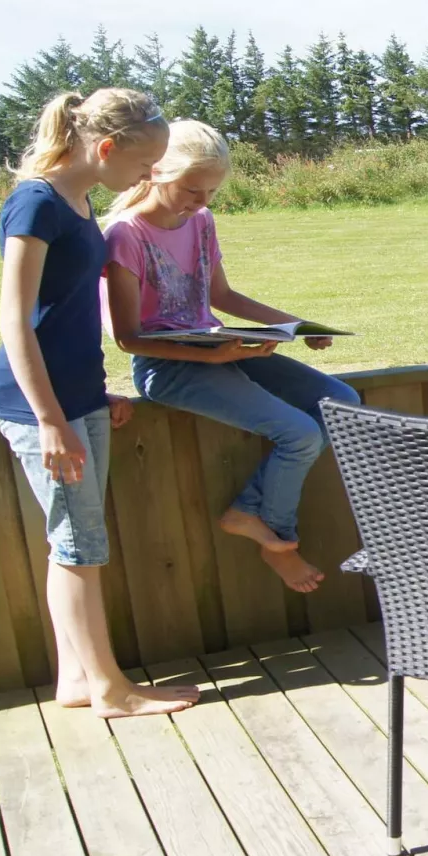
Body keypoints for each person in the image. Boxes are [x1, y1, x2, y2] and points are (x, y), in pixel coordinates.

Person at [0, 88, 199, 717]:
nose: (147, 178)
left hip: (76, 398)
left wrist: (92, 394)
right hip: (39, 408)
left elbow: (66, 315)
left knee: (74, 546)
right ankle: (110, 690)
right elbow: (15, 323)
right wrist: (51, 419)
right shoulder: (36, 203)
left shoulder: (76, 202)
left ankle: (78, 680)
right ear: (105, 148)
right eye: (142, 166)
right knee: (81, 546)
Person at [102, 120, 359, 594]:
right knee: (300, 434)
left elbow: (222, 295)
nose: (202, 203)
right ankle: (278, 543)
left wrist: (298, 327)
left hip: (220, 346)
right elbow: (128, 339)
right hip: (169, 367)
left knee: (343, 401)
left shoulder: (200, 222)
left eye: (212, 192)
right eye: (192, 190)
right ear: (156, 172)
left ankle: (248, 512)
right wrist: (211, 359)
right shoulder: (125, 235)